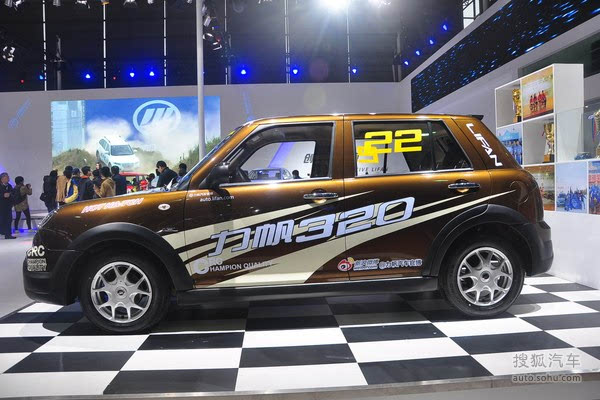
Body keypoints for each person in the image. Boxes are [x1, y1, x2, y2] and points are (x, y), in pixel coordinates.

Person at [0, 172, 16, 239]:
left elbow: (13, 194)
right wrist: (3, 195)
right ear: (2, 179)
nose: (8, 179)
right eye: (6, 178)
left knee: (9, 220)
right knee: (2, 220)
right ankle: (2, 231)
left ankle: (8, 234)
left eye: (8, 177)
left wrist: (10, 195)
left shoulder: (9, 186)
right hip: (1, 206)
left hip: (8, 206)